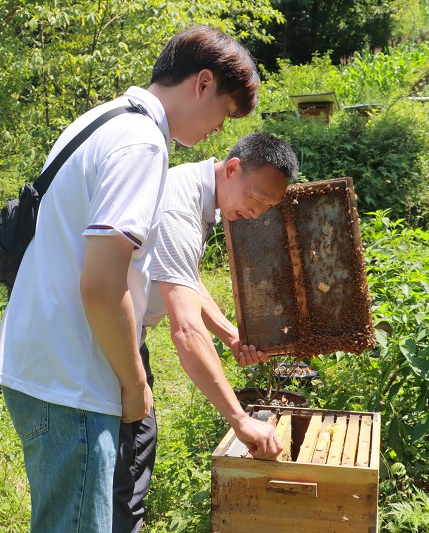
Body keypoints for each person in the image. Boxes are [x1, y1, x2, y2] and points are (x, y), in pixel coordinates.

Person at [0, 26, 276, 533]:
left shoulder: (102, 119)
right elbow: (101, 284)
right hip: (72, 380)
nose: (219, 128)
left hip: (43, 363)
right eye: (225, 112)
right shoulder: (144, 143)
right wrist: (135, 383)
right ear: (203, 83)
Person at [113, 132, 299, 533]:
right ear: (232, 169)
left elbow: (188, 279)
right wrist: (239, 419)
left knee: (139, 441)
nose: (257, 214)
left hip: (128, 337)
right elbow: (185, 330)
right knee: (117, 465)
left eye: (268, 207)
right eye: (257, 200)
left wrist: (231, 334)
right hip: (102, 343)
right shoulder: (179, 208)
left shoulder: (196, 197)